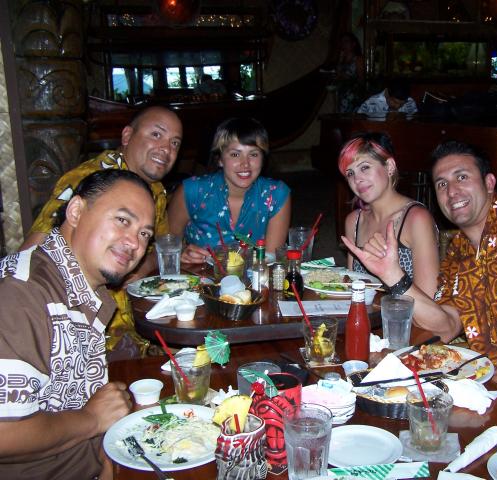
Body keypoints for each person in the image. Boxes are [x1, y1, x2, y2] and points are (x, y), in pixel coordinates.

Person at [343, 140, 497, 378]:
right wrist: (393, 275)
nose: (452, 191)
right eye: (442, 184)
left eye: (462, 177)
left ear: (489, 183)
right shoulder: (457, 254)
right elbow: (445, 327)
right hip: (494, 379)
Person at [0, 169, 155, 479]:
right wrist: (92, 419)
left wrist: (105, 455)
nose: (133, 243)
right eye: (122, 220)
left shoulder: (77, 285)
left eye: (144, 234)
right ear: (75, 211)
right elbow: (5, 433)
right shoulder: (22, 294)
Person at [20, 106, 183, 359]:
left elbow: (159, 248)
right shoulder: (90, 181)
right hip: (83, 337)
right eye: (156, 134)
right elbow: (30, 257)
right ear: (127, 136)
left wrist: (137, 268)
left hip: (136, 325)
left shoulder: (156, 191)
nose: (166, 148)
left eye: (174, 143)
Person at [168, 117, 291, 262]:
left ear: (263, 159)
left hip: (255, 276)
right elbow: (166, 247)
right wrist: (182, 252)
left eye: (253, 154)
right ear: (220, 159)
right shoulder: (191, 191)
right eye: (235, 154)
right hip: (198, 275)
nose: (245, 164)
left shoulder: (276, 194)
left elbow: (271, 260)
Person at [339, 132, 439, 297]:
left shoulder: (416, 219)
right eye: (350, 173)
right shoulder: (354, 221)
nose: (357, 179)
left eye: (365, 167)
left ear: (389, 166)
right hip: (366, 311)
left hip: (409, 313)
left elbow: (429, 297)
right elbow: (352, 288)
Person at [334, 32, 365, 113]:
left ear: (353, 44)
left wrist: (347, 77)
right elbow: (338, 76)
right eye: (342, 42)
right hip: (342, 95)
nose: (344, 44)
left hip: (353, 96)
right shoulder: (341, 60)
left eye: (346, 41)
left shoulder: (358, 59)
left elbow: (362, 80)